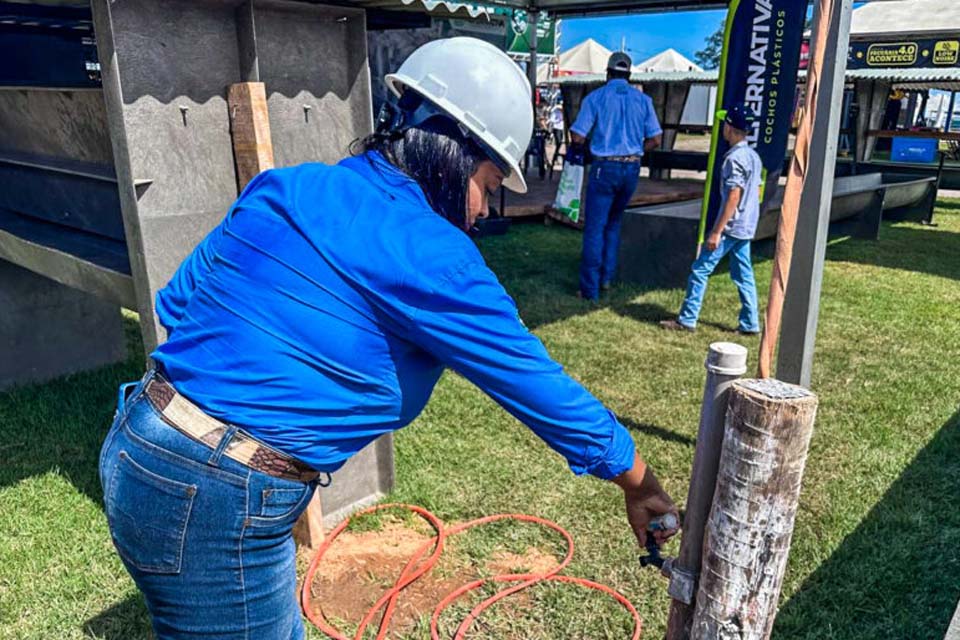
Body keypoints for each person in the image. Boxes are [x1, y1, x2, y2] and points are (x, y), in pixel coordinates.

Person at [98, 37, 679, 640]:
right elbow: (540, 387)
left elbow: (179, 301)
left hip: (136, 443)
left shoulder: (288, 187)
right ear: (452, 156)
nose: (482, 210)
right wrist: (640, 482)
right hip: (221, 496)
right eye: (486, 182)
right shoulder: (437, 257)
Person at [661, 104, 763, 335]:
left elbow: (734, 195)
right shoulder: (753, 157)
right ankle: (750, 323)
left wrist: (717, 231)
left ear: (729, 128)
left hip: (730, 227)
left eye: (724, 124)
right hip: (745, 226)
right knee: (743, 275)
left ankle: (687, 320)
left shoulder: (733, 160)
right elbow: (755, 190)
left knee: (700, 269)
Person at [570, 51, 662, 301]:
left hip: (604, 166)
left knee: (594, 228)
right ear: (629, 75)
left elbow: (577, 136)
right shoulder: (643, 101)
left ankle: (589, 289)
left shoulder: (596, 98)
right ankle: (607, 278)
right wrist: (637, 148)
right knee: (614, 224)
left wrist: (593, 144)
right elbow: (655, 139)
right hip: (631, 167)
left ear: (607, 72)